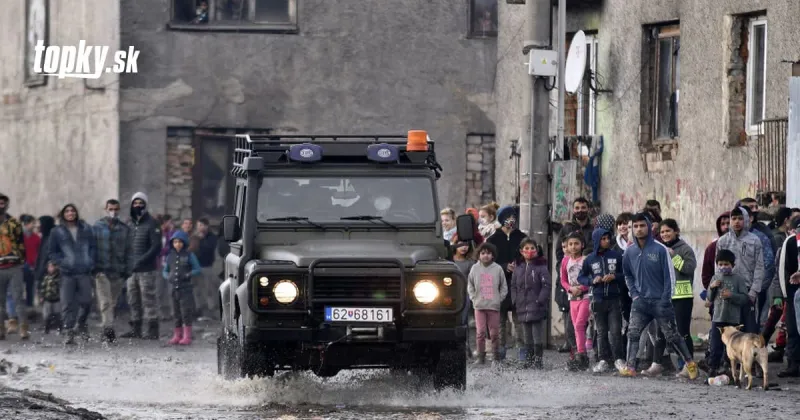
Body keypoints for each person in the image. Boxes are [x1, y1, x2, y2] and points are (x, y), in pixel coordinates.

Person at [617, 213, 698, 379]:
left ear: (648, 226)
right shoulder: (629, 252)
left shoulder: (660, 249)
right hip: (640, 302)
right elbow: (628, 275)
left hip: (661, 302)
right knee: (633, 334)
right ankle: (630, 366)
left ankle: (690, 363)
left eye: (642, 226)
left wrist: (665, 299)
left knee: (672, 336)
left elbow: (670, 275)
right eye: (635, 226)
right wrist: (634, 294)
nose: (638, 229)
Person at [647, 218, 696, 375]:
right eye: (662, 232)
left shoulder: (685, 249)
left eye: (668, 231)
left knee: (682, 332)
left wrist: (674, 256)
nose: (665, 234)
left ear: (676, 231)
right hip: (664, 297)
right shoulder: (658, 249)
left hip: (683, 297)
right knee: (661, 332)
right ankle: (657, 364)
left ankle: (688, 366)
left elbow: (689, 268)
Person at [48, 204, 96, 344]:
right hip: (67, 273)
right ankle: (68, 332)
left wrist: (91, 260)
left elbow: (93, 246)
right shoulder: (57, 232)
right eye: (67, 211)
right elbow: (52, 252)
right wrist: (62, 262)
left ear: (76, 213)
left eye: (73, 210)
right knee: (67, 304)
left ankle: (81, 324)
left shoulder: (86, 228)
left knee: (87, 301)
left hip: (84, 271)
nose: (70, 213)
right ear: (63, 214)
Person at [579, 227, 625, 373]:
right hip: (598, 300)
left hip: (614, 299)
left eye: (608, 238)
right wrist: (592, 280)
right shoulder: (590, 259)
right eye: (603, 239)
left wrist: (615, 277)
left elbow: (625, 274)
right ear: (597, 240)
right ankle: (603, 360)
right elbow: (581, 277)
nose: (606, 241)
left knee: (616, 330)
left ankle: (619, 359)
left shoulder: (617, 256)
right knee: (601, 331)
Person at [485, 205, 526, 360]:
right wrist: (503, 266)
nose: (512, 220)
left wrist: (519, 266)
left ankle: (523, 350)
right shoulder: (493, 239)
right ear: (502, 219)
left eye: (514, 216)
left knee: (519, 319)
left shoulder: (522, 237)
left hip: (518, 284)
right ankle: (499, 352)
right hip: (499, 285)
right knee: (499, 320)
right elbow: (486, 262)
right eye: (508, 217)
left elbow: (530, 256)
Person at [715, 206, 764, 334]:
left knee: (749, 331)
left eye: (740, 218)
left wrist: (753, 292)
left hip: (748, 291)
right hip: (728, 292)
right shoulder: (723, 241)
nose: (737, 222)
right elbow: (718, 268)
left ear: (747, 220)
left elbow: (759, 267)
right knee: (730, 333)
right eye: (734, 218)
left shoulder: (754, 241)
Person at [121, 192, 163, 340]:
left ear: (145, 205)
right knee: (133, 299)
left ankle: (152, 330)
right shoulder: (129, 223)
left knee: (148, 299)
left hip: (147, 269)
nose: (138, 205)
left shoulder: (152, 223)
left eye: (140, 203)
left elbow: (156, 246)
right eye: (135, 203)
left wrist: (142, 260)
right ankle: (136, 329)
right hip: (131, 270)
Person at [92, 199, 132, 342]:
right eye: (110, 209)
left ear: (119, 210)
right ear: (106, 209)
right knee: (105, 302)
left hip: (118, 270)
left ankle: (106, 327)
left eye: (115, 209)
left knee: (112, 302)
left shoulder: (124, 229)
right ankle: (109, 330)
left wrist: (128, 270)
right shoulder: (97, 227)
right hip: (101, 270)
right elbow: (92, 248)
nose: (113, 212)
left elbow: (129, 251)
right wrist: (93, 267)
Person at [705, 249, 749, 376]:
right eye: (720, 264)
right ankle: (712, 369)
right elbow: (709, 297)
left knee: (731, 346)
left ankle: (729, 370)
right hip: (718, 318)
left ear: (732, 265)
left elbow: (744, 298)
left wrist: (731, 295)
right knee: (715, 345)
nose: (723, 267)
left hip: (733, 320)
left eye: (726, 264)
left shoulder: (738, 279)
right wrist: (712, 287)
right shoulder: (715, 278)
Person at [510, 238, 550, 368]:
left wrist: (540, 300)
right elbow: (513, 286)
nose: (529, 251)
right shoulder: (518, 268)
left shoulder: (541, 267)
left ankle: (538, 361)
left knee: (536, 335)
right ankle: (529, 360)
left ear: (537, 250)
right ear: (521, 251)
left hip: (536, 306)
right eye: (526, 248)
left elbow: (546, 285)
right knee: (526, 335)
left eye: (532, 248)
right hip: (522, 306)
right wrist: (515, 299)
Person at [467, 242, 507, 365]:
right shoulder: (475, 268)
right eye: (483, 253)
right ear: (478, 255)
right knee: (480, 333)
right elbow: (470, 285)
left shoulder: (498, 268)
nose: (486, 256)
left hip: (493, 307)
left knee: (494, 333)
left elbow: (504, 287)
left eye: (488, 253)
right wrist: (474, 298)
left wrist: (498, 299)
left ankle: (495, 357)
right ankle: (481, 357)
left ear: (493, 255)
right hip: (479, 306)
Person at [163, 231, 202, 346]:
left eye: (180, 242)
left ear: (184, 243)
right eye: (175, 242)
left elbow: (197, 269)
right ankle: (177, 335)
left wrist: (187, 275)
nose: (177, 244)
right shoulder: (170, 256)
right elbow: (165, 270)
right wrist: (167, 276)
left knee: (186, 313)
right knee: (176, 313)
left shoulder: (189, 255)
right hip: (174, 289)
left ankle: (187, 336)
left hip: (185, 289)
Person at [0, 193, 28, 340]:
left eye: (3, 203)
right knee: (0, 300)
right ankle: (1, 330)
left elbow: (21, 242)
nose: (0, 205)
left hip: (14, 265)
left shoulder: (14, 223)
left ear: (6, 205)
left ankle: (23, 328)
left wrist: (21, 260)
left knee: (18, 298)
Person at [561, 232, 589, 371]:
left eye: (576, 243)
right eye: (570, 244)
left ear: (582, 245)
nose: (573, 246)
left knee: (579, 325)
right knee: (574, 326)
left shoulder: (586, 260)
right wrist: (570, 289)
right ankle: (579, 354)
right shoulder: (565, 260)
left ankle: (582, 354)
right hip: (572, 298)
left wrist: (582, 288)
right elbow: (563, 280)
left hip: (585, 296)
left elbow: (590, 278)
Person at [776, 218, 800, 377]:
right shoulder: (791, 242)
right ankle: (793, 363)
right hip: (793, 293)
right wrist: (785, 295)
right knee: (792, 329)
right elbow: (783, 268)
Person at [39, 261, 62, 334]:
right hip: (48, 299)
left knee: (58, 315)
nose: (50, 269)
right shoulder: (46, 278)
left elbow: (61, 288)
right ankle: (46, 329)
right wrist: (42, 296)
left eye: (52, 267)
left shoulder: (59, 277)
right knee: (47, 316)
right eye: (49, 267)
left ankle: (60, 329)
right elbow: (43, 287)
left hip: (57, 299)